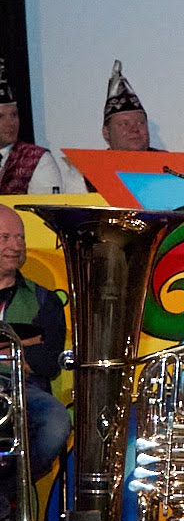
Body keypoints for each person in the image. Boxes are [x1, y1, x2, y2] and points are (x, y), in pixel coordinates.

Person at [0, 206, 74, 490]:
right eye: (5, 238)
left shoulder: (45, 299)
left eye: (20, 238)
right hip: (18, 375)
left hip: (23, 390)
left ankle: (7, 490)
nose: (15, 246)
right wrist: (20, 344)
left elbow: (48, 363)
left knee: (56, 423)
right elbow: (33, 353)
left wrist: (13, 350)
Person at [0, 57, 82, 196]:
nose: (11, 123)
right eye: (1, 117)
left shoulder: (36, 159)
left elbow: (47, 207)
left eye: (14, 115)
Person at [100, 60, 155, 151]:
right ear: (106, 133)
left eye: (140, 123)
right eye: (124, 124)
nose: (134, 130)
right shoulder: (89, 160)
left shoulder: (168, 159)